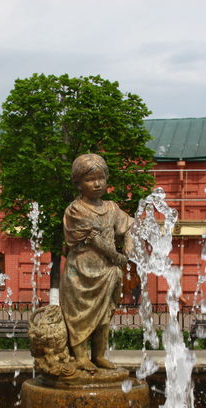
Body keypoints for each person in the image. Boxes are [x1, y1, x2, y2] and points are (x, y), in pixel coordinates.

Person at [60, 154, 133, 372]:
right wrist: (116, 256)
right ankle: (81, 356)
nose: (97, 183)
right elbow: (93, 239)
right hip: (81, 272)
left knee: (103, 316)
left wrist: (127, 247)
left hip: (106, 272)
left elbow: (128, 226)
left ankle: (99, 355)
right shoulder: (75, 210)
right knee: (79, 316)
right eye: (90, 179)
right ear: (78, 182)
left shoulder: (112, 207)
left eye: (101, 177)